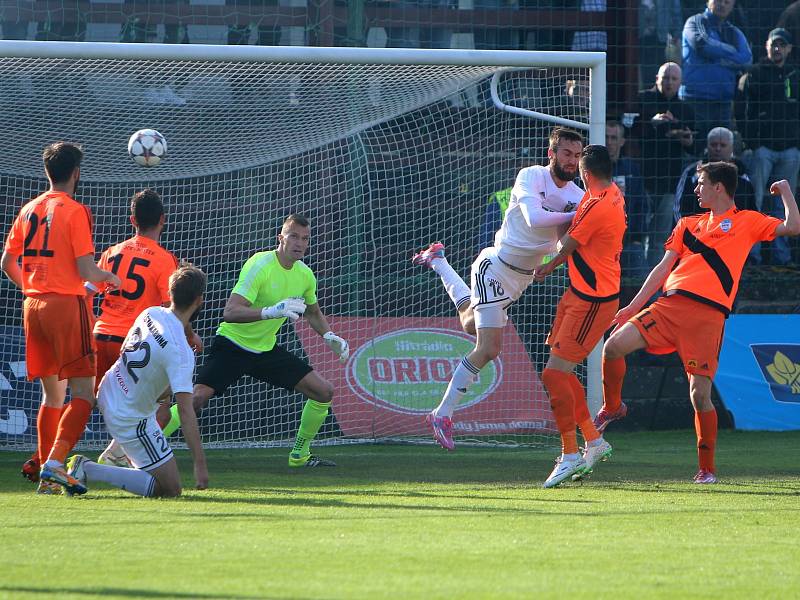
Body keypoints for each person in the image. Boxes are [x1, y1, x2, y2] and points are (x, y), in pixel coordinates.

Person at [596, 163, 800, 483]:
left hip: (707, 317)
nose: (696, 189)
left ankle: (706, 469)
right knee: (613, 346)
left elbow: (793, 227)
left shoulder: (747, 221)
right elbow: (662, 269)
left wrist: (786, 190)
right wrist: (633, 306)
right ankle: (613, 406)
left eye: (702, 183)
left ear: (719, 187)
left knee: (698, 395)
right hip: (668, 306)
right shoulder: (687, 225)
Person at [412, 127, 584, 451]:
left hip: (521, 280)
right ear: (552, 154)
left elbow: (563, 242)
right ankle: (442, 413)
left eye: (577, 155)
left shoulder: (577, 195)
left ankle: (438, 261)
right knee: (489, 348)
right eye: (566, 153)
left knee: (468, 322)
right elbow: (533, 218)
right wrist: (582, 213)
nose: (572, 161)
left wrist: (585, 227)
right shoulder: (531, 176)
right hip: (495, 266)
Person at [1, 142, 121, 495]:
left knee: (53, 396)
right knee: (84, 391)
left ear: (47, 171)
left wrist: (36, 287)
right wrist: (108, 278)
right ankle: (55, 463)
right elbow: (86, 268)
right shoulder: (75, 210)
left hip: (32, 306)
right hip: (66, 307)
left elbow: (6, 263)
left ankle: (45, 473)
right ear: (76, 173)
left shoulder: (29, 208)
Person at [192, 214, 349, 468]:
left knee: (324, 392)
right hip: (233, 344)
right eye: (294, 236)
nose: (299, 243)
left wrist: (330, 336)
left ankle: (300, 454)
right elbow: (230, 313)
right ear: (280, 238)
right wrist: (270, 311)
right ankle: (146, 447)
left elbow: (313, 312)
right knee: (197, 398)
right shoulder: (260, 264)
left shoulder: (305, 275)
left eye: (305, 239)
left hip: (264, 350)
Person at [66, 264, 210, 496]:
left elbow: (125, 349)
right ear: (199, 300)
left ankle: (123, 453)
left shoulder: (150, 313)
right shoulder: (181, 353)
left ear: (170, 292)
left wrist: (190, 335)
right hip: (130, 418)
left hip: (108, 389)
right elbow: (185, 411)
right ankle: (87, 468)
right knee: (170, 489)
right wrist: (200, 464)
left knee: (152, 459)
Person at [532, 145, 628, 488]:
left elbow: (567, 246)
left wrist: (543, 268)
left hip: (592, 301)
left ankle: (570, 454)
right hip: (580, 294)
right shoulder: (611, 193)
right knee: (559, 373)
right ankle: (593, 441)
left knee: (554, 376)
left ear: (586, 174)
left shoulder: (599, 204)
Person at [89, 189, 202, 467]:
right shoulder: (164, 260)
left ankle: (53, 458)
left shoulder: (112, 252)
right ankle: (129, 459)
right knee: (162, 408)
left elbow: (86, 292)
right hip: (135, 344)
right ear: (163, 219)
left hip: (100, 337)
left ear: (132, 220)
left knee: (88, 400)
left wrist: (93, 325)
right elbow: (173, 309)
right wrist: (190, 335)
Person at [739, 27, 800, 266]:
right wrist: (752, 143)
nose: (777, 48)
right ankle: (752, 256)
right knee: (755, 200)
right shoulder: (754, 73)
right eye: (774, 44)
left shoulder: (796, 75)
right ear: (766, 46)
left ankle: (781, 258)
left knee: (784, 204)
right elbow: (742, 111)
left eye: (782, 45)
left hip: (790, 150)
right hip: (762, 149)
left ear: (789, 48)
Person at [636, 62, 698, 267]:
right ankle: (634, 275)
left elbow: (695, 145)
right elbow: (629, 133)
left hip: (670, 180)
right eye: (665, 78)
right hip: (640, 178)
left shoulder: (686, 109)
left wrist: (687, 141)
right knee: (635, 234)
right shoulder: (642, 100)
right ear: (656, 79)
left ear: (680, 82)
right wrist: (652, 124)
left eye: (673, 79)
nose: (669, 82)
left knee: (660, 236)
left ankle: (651, 282)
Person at [680, 0, 752, 139]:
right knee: (693, 152)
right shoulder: (695, 22)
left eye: (727, 2)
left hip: (723, 104)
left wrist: (718, 57)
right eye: (718, 0)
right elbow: (702, 45)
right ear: (708, 1)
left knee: (721, 155)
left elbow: (747, 59)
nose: (722, 5)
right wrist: (731, 51)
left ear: (732, 6)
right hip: (695, 101)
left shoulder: (733, 31)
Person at [674, 127, 756, 222]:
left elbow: (751, 211)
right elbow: (679, 208)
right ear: (707, 146)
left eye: (723, 145)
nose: (718, 149)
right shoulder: (693, 173)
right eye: (714, 145)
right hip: (700, 232)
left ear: (731, 148)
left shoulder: (742, 175)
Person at [606, 120, 650, 280]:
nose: (609, 142)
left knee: (642, 286)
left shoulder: (631, 169)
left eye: (613, 138)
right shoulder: (590, 170)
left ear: (622, 141)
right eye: (606, 137)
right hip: (601, 245)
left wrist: (638, 237)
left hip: (630, 241)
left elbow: (641, 204)